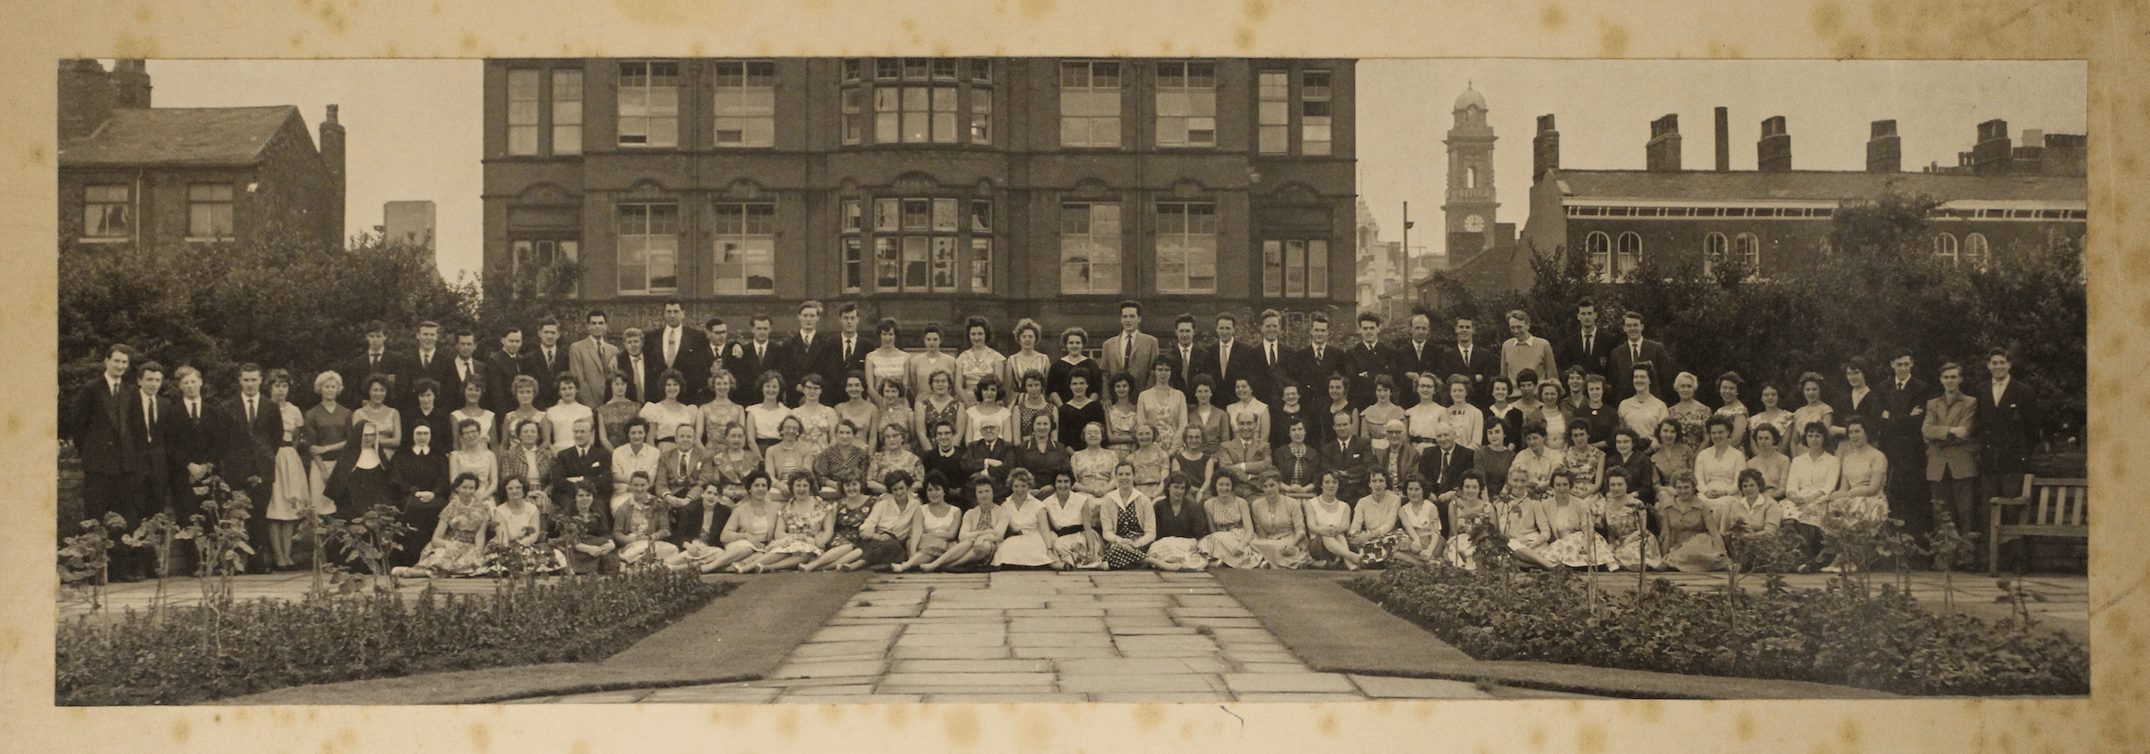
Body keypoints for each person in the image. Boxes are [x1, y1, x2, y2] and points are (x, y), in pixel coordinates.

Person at [1813, 416, 1890, 572]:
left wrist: (1850, 494)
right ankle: (1838, 555)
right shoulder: (1848, 459)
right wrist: (1831, 496)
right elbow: (1843, 488)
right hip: (1852, 497)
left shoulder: (1877, 456)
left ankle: (1847, 559)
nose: (1854, 436)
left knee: (1855, 508)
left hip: (1873, 499)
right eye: (1851, 432)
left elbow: (1874, 488)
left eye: (1858, 431)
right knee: (1825, 508)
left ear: (1867, 433)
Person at [1876, 349, 1935, 537]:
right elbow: (1879, 419)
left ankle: (1913, 542)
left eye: (1906, 364)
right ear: (1892, 365)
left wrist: (1891, 418)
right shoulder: (1883, 388)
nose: (1902, 368)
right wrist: (1906, 417)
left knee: (1912, 496)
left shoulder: (1922, 388)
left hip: (1912, 451)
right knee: (1890, 494)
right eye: (1899, 364)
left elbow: (1918, 422)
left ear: (1912, 365)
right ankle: (1890, 542)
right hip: (1889, 449)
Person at [1978, 348, 2036, 540]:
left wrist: (2022, 454)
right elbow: (1979, 424)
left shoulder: (2024, 391)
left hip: (2013, 460)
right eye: (1994, 363)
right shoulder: (1982, 390)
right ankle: (1991, 560)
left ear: (2009, 365)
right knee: (1989, 510)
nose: (1998, 366)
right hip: (1989, 460)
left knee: (2012, 509)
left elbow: (2032, 429)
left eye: (2002, 362)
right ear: (1988, 365)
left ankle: (2017, 561)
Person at [668, 473, 776, 573]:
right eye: (709, 493)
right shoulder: (690, 510)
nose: (711, 497)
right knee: (679, 559)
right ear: (702, 494)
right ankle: (666, 566)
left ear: (719, 498)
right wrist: (688, 545)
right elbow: (677, 535)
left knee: (720, 554)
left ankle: (680, 569)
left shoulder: (724, 511)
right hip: (694, 546)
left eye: (715, 494)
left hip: (713, 549)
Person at [393, 472, 493, 578]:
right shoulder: (450, 507)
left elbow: (480, 536)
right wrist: (447, 545)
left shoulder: (482, 508)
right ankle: (414, 571)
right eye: (464, 487)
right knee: (441, 559)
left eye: (471, 488)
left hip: (468, 546)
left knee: (472, 563)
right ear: (457, 488)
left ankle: (413, 573)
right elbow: (436, 538)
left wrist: (478, 553)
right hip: (449, 544)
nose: (468, 491)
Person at [261, 370, 312, 571]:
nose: (281, 390)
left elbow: (298, 435)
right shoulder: (265, 407)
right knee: (276, 506)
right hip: (272, 457)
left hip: (289, 458)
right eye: (277, 385)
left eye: (284, 386)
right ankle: (278, 555)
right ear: (270, 387)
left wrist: (291, 452)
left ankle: (288, 555)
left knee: (290, 506)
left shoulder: (294, 410)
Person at [1512, 471, 1615, 569]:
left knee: (1584, 544)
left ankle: (1572, 564)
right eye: (1558, 485)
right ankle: (1561, 565)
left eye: (1565, 484)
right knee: (1524, 558)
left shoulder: (1580, 504)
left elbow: (1587, 526)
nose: (1562, 488)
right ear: (1553, 486)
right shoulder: (1545, 504)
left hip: (1578, 540)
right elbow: (1541, 527)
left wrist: (1586, 543)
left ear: (1570, 486)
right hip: (1558, 543)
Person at [1923, 362, 1980, 541]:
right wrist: (1951, 431)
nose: (1950, 381)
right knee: (1940, 510)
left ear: (1960, 379)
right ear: (1941, 380)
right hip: (1937, 463)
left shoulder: (1970, 402)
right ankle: (1945, 556)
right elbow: (1926, 430)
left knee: (1965, 511)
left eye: (1953, 377)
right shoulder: (1932, 404)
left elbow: (1965, 431)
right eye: (1946, 377)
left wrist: (1939, 434)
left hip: (1961, 462)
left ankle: (1966, 556)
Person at [733, 474, 830, 573]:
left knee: (807, 552)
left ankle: (765, 567)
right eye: (798, 485)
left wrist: (821, 541)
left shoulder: (822, 506)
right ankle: (750, 567)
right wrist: (799, 537)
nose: (801, 489)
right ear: (792, 488)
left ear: (810, 488)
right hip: (791, 541)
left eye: (805, 485)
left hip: (813, 544)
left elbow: (828, 529)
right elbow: (778, 533)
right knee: (792, 547)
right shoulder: (786, 508)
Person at [921, 476, 1008, 572]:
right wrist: (979, 535)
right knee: (968, 542)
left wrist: (982, 538)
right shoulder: (970, 513)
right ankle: (937, 564)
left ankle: (949, 565)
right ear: (975, 494)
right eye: (980, 492)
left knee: (985, 545)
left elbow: (999, 535)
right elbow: (962, 536)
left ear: (993, 493)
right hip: (971, 545)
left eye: (987, 491)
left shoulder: (1002, 512)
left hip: (991, 548)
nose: (984, 495)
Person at [894, 475, 966, 573]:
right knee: (930, 545)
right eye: (930, 490)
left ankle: (907, 565)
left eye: (937, 489)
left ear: (944, 491)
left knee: (939, 544)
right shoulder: (921, 509)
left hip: (945, 545)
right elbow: (916, 533)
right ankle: (915, 562)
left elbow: (951, 534)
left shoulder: (955, 511)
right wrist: (913, 552)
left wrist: (933, 535)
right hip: (923, 544)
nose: (933, 493)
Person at [1658, 473, 1729, 572]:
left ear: (1693, 488)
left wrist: (1724, 552)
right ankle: (1675, 561)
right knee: (1682, 554)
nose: (1683, 491)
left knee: (1705, 555)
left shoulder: (1702, 506)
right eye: (1679, 488)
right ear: (1675, 488)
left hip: (1699, 543)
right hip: (1678, 544)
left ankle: (1675, 562)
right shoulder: (1667, 507)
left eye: (1686, 487)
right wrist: (1663, 555)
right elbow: (1666, 534)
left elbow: (1714, 532)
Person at [486, 478, 559, 574]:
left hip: (527, 545)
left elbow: (533, 536)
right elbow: (502, 539)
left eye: (518, 487)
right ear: (505, 491)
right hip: (507, 547)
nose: (514, 491)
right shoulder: (500, 511)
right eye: (510, 488)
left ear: (523, 489)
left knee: (554, 556)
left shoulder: (532, 509)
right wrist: (512, 551)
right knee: (500, 562)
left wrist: (520, 547)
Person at [1719, 469, 1787, 570]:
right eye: (1744, 486)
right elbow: (1731, 530)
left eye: (1752, 485)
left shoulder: (1771, 504)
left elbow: (1770, 532)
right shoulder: (1736, 505)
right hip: (1741, 546)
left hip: (1764, 545)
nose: (1748, 489)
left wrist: (1749, 536)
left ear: (1759, 486)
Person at [857, 470, 925, 570]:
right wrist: (877, 536)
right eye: (895, 490)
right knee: (892, 546)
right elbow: (866, 527)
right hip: (877, 540)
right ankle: (862, 563)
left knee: (897, 547)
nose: (899, 492)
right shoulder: (882, 504)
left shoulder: (915, 505)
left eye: (902, 488)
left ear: (907, 487)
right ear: (891, 491)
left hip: (897, 543)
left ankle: (867, 562)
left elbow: (916, 529)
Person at [1095, 462, 1157, 569]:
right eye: (1121, 474)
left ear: (1134, 476)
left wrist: (1138, 543)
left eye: (1128, 474)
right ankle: (1151, 561)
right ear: (1115, 477)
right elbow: (1107, 532)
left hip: (1139, 543)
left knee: (1109, 558)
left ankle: (1122, 563)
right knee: (1115, 549)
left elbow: (1151, 532)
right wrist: (1120, 540)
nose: (1124, 478)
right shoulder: (1108, 500)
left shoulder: (1144, 500)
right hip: (1118, 542)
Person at [1142, 473, 1210, 571]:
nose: (1179, 491)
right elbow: (1154, 530)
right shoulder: (1159, 506)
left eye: (1182, 488)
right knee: (1159, 549)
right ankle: (1177, 564)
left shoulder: (1193, 507)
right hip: (1164, 543)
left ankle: (1174, 563)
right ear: (1168, 488)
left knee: (1188, 554)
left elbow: (1200, 532)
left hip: (1186, 543)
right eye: (1176, 487)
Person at [1599, 469, 1663, 571]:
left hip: (1637, 539)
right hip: (1618, 543)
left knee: (1631, 552)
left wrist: (1623, 543)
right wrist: (1612, 544)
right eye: (1613, 485)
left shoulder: (1637, 504)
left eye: (1620, 484)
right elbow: (1610, 533)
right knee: (1605, 550)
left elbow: (1641, 530)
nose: (1616, 488)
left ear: (1626, 485)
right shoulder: (1607, 506)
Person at [652, 299, 713, 405]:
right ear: (664, 314)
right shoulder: (652, 337)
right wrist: (615, 358)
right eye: (669, 312)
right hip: (658, 398)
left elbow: (713, 351)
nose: (672, 315)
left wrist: (735, 345)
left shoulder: (697, 337)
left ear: (683, 314)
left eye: (676, 311)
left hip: (688, 398)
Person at [990, 469, 1055, 568]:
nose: (1019, 490)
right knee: (1006, 549)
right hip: (1016, 538)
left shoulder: (1038, 505)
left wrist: (1049, 550)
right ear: (1011, 487)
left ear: (1029, 487)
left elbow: (1045, 530)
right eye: (1016, 486)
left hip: (1035, 538)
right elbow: (1001, 529)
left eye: (1023, 486)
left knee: (1029, 550)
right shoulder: (1006, 505)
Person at [802, 478, 870, 572]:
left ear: (861, 485)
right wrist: (822, 540)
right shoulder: (838, 504)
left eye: (854, 484)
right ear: (843, 487)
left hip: (860, 539)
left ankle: (818, 567)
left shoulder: (872, 501)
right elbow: (830, 526)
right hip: (840, 538)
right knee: (848, 547)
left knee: (858, 552)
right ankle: (815, 565)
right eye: (847, 485)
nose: (851, 488)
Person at [1196, 475, 1264, 569]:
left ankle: (1228, 560)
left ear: (1232, 486)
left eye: (1227, 485)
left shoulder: (1241, 502)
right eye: (1221, 485)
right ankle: (1228, 560)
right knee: (1207, 541)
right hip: (1220, 537)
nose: (1224, 488)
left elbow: (1249, 529)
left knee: (1239, 548)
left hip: (1240, 536)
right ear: (1215, 486)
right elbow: (1213, 530)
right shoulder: (1209, 504)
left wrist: (1242, 544)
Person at [1041, 469, 1103, 570]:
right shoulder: (1047, 503)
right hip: (1062, 539)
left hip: (1082, 535)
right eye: (1059, 481)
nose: (1063, 485)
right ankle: (1067, 564)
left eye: (1066, 481)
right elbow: (1048, 529)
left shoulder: (1081, 500)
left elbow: (1088, 528)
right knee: (1056, 545)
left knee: (1073, 546)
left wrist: (1091, 548)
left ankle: (1082, 562)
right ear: (1054, 484)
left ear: (1071, 483)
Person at [1608, 311, 1675, 404]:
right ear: (1624, 328)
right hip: (1626, 404)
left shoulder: (1657, 349)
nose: (1632, 328)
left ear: (1642, 327)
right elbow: (1615, 384)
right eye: (1629, 325)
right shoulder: (1616, 353)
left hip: (1652, 404)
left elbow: (1666, 379)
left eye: (1635, 325)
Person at [1346, 470, 1408, 568]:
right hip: (1370, 540)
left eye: (1381, 481)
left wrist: (1370, 535)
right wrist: (1356, 535)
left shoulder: (1395, 499)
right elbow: (1356, 524)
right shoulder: (1362, 502)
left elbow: (1389, 524)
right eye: (1374, 481)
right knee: (1353, 542)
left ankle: (1373, 560)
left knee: (1401, 538)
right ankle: (1384, 560)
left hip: (1389, 537)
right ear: (1369, 484)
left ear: (1386, 484)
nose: (1377, 485)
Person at [1301, 472, 1361, 570]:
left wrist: (1336, 529)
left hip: (1339, 542)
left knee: (1338, 533)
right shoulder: (1311, 503)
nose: (1331, 485)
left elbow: (1346, 526)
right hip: (1318, 545)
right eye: (1327, 482)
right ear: (1321, 485)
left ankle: (1348, 561)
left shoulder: (1345, 506)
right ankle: (1350, 557)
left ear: (1338, 485)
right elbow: (1311, 526)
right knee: (1327, 533)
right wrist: (1325, 530)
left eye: (1334, 482)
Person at [556, 482, 619, 575]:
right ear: (575, 498)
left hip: (597, 548)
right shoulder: (567, 515)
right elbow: (569, 540)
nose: (584, 498)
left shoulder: (598, 513)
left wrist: (611, 544)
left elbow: (606, 533)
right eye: (581, 495)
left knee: (609, 556)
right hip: (578, 549)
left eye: (588, 495)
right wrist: (588, 549)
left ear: (593, 497)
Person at [1100, 300, 1160, 392]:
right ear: (1121, 319)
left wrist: (1145, 396)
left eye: (1132, 316)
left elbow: (1153, 373)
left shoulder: (1151, 342)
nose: (1128, 320)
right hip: (1116, 399)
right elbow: (1104, 374)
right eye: (1125, 316)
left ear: (1139, 318)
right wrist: (1106, 396)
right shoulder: (1108, 344)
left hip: (1141, 396)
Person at [550, 417, 611, 506]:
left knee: (599, 507)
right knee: (570, 506)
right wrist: (582, 486)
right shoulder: (563, 455)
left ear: (592, 433)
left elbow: (606, 480)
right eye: (576, 432)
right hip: (569, 494)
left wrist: (579, 481)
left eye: (582, 432)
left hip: (594, 494)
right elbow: (558, 480)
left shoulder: (602, 454)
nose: (578, 435)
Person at [1294, 313, 1349, 410]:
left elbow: (1343, 380)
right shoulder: (1300, 355)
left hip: (1330, 405)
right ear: (1311, 331)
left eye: (1323, 331)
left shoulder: (1338, 355)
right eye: (1316, 330)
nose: (1319, 334)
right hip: (1307, 405)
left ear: (1328, 332)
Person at [639, 370, 702, 450]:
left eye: (675, 385)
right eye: (668, 385)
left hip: (684, 450)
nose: (672, 388)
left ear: (680, 387)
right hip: (665, 450)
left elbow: (693, 438)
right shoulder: (655, 409)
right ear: (663, 387)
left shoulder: (688, 410)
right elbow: (650, 439)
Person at [1441, 471, 1492, 569]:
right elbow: (1453, 532)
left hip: (1479, 541)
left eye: (1474, 487)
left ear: (1479, 489)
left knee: (1476, 553)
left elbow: (1493, 532)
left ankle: (1469, 568)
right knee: (1453, 551)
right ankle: (1461, 568)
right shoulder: (1454, 506)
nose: (1470, 490)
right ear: (1462, 488)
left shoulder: (1487, 507)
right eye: (1467, 487)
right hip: (1459, 540)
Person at [498, 420, 555, 507]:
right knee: (529, 505)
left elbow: (554, 479)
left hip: (542, 492)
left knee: (544, 504)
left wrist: (545, 493)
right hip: (519, 492)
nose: (529, 434)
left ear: (538, 435)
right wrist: (525, 492)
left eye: (533, 431)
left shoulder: (547, 455)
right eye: (526, 431)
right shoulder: (510, 454)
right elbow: (506, 478)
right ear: (519, 435)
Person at [446, 417, 499, 508]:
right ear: (461, 437)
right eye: (466, 433)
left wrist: (482, 497)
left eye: (473, 431)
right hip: (461, 497)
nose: (470, 435)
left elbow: (494, 483)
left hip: (484, 497)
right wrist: (464, 499)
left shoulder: (489, 455)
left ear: (479, 433)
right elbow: (454, 482)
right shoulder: (455, 456)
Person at [1498, 309, 1559, 387]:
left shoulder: (1543, 344)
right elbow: (1503, 378)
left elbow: (1552, 377)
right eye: (1512, 328)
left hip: (1537, 395)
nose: (1516, 331)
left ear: (1528, 325)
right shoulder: (1506, 346)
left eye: (1519, 327)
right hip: (1513, 396)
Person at [1504, 423, 1562, 503]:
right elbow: (1516, 475)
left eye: (1535, 438)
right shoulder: (1521, 456)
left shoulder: (1555, 455)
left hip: (1551, 496)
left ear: (1543, 438)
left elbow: (1556, 475)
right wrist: (1533, 484)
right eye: (1528, 439)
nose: (1532, 442)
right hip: (1527, 496)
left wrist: (1547, 484)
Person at [1014, 413, 1071, 493]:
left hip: (1055, 491)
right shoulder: (1022, 447)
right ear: (1033, 426)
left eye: (1045, 424)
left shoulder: (1060, 447)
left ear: (1051, 426)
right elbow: (1018, 473)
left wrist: (1052, 486)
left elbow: (1066, 471)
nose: (1042, 427)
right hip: (1028, 492)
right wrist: (1028, 489)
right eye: (1038, 424)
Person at [521, 319, 571, 409]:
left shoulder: (565, 357)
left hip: (561, 407)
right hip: (537, 407)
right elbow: (528, 386)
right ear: (539, 333)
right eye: (546, 332)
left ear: (558, 334)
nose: (549, 336)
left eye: (553, 333)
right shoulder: (528, 358)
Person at [812, 421, 872, 496]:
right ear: (836, 435)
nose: (845, 436)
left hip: (855, 491)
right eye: (841, 432)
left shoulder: (862, 454)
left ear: (854, 435)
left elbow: (864, 478)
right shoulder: (826, 454)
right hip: (832, 492)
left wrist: (850, 486)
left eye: (848, 433)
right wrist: (839, 486)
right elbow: (821, 477)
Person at [1137, 361, 1188, 446]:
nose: (1163, 373)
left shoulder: (1179, 395)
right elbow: (1141, 423)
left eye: (1167, 370)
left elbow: (1183, 424)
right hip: (1151, 445)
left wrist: (1174, 447)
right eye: (1160, 370)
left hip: (1176, 445)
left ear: (1171, 372)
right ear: (1154, 371)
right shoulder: (1143, 396)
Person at [1218, 413, 1274, 490]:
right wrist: (1248, 477)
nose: (1245, 427)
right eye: (1242, 423)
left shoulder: (1264, 446)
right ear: (1237, 425)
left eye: (1249, 423)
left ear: (1256, 425)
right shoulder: (1226, 446)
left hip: (1257, 491)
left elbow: (1267, 465)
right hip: (1234, 491)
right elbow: (1225, 469)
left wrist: (1242, 466)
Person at [914, 370, 965, 452]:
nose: (940, 384)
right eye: (936, 381)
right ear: (931, 385)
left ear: (949, 384)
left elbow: (959, 433)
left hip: (952, 452)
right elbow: (921, 432)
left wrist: (950, 453)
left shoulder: (959, 406)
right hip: (929, 451)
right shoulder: (921, 405)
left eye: (943, 381)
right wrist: (931, 454)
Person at [905, 324, 958, 401]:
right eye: (928, 339)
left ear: (940, 340)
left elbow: (953, 386)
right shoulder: (915, 361)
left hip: (944, 401)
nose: (931, 342)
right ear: (924, 340)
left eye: (935, 339)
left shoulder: (950, 361)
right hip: (922, 401)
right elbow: (913, 386)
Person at [1273, 419, 1324, 500]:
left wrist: (1304, 489)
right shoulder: (1280, 452)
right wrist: (1288, 488)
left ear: (1305, 432)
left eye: (1300, 429)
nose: (1297, 433)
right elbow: (1274, 475)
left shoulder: (1313, 453)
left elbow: (1317, 478)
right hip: (1284, 495)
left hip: (1308, 495)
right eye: (1293, 430)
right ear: (1289, 433)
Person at [1007, 320, 1054, 405]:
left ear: (1035, 338)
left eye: (1030, 336)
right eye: (1024, 337)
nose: (1027, 339)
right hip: (1019, 401)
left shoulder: (1044, 359)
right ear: (1019, 338)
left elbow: (1048, 386)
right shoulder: (1012, 360)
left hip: (1040, 400)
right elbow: (1008, 388)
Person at [761, 416, 816, 489]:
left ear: (798, 432)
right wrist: (779, 485)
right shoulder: (771, 450)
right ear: (781, 430)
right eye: (787, 427)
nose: (791, 431)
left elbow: (806, 474)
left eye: (795, 428)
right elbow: (769, 476)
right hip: (778, 487)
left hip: (800, 487)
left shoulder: (806, 449)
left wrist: (793, 485)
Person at [869, 424, 926, 495]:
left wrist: (903, 492)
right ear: (884, 440)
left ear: (903, 437)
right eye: (887, 437)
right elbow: (870, 482)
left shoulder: (914, 459)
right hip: (884, 497)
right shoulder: (877, 458)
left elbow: (920, 482)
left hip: (908, 497)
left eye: (895, 436)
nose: (891, 439)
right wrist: (891, 490)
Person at [1789, 372, 1837, 456]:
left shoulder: (1826, 410)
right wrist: (1795, 459)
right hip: (1801, 453)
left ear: (1820, 390)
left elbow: (1825, 435)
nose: (1811, 393)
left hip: (1820, 452)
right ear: (1803, 391)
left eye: (1814, 389)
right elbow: (1794, 440)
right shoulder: (1799, 412)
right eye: (1807, 389)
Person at [543, 375, 595, 452]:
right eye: (563, 389)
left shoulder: (586, 410)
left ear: (576, 389)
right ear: (559, 392)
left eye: (570, 388)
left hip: (580, 451)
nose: (567, 391)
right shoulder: (551, 411)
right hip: (558, 451)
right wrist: (555, 452)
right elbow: (546, 441)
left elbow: (590, 438)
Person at [1054, 372, 1105, 450]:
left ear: (1087, 385)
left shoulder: (1096, 407)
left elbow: (1102, 434)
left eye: (1081, 383)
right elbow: (1063, 439)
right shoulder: (1064, 410)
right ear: (1070, 386)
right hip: (1072, 454)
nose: (1078, 387)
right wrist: (1075, 456)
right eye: (1075, 384)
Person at [865, 318, 911, 402]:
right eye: (884, 334)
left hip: (899, 403)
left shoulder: (905, 357)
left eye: (890, 334)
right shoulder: (870, 357)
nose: (887, 338)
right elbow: (870, 387)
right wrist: (882, 404)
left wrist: (895, 404)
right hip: (877, 402)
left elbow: (905, 385)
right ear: (880, 335)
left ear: (895, 335)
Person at [743, 372, 791, 453]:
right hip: (759, 451)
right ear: (762, 388)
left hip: (780, 452)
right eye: (767, 386)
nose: (771, 390)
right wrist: (760, 459)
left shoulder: (787, 412)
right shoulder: (753, 410)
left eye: (775, 387)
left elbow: (788, 438)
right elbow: (750, 440)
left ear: (779, 389)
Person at [700, 370, 747, 452]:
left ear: (730, 385)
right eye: (718, 384)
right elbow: (697, 438)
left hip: (732, 455)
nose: (722, 387)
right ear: (713, 386)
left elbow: (742, 438)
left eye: (725, 383)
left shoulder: (739, 409)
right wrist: (706, 455)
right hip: (710, 454)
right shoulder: (704, 408)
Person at [789, 375, 840, 450]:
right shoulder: (794, 413)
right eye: (809, 388)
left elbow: (835, 438)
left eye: (816, 388)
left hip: (824, 457)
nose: (812, 391)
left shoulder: (829, 412)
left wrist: (826, 456)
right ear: (803, 389)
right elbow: (789, 439)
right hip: (801, 457)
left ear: (821, 390)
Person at [1648, 419, 1694, 502]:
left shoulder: (1686, 450)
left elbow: (1694, 474)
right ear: (1659, 433)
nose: (1668, 435)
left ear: (1677, 434)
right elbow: (1656, 484)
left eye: (1672, 432)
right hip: (1666, 492)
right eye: (1665, 431)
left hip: (1686, 489)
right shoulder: (1654, 457)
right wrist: (1667, 489)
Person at [1168, 424, 1218, 500]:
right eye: (1190, 437)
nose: (1194, 440)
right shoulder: (1177, 460)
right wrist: (1194, 491)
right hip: (1184, 491)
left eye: (1197, 437)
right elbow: (1178, 480)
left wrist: (1200, 492)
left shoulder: (1208, 459)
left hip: (1204, 492)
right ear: (1185, 439)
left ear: (1202, 439)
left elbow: (1208, 480)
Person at [1068, 422, 1119, 496]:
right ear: (1084, 436)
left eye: (1096, 433)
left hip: (1108, 494)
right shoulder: (1076, 456)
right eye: (1089, 433)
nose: (1092, 435)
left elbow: (1116, 479)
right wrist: (1089, 491)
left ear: (1102, 436)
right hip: (1083, 495)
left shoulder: (1111, 454)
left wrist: (1103, 491)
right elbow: (1073, 481)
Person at [1473, 421, 1516, 507]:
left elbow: (1509, 481)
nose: (1493, 436)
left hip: (1503, 497)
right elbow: (1481, 480)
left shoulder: (1511, 455)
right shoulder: (1480, 453)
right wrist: (1487, 503)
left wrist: (1500, 500)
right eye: (1490, 432)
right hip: (1482, 496)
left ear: (1504, 433)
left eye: (1497, 432)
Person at [593, 372, 641, 449]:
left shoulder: (636, 407)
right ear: (611, 386)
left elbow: (639, 432)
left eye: (623, 384)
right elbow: (603, 438)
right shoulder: (602, 409)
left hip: (633, 450)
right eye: (616, 384)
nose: (620, 387)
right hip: (611, 452)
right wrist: (615, 454)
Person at [448, 377, 497, 452]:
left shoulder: (489, 416)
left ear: (481, 393)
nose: (473, 393)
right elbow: (456, 445)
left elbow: (494, 445)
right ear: (464, 391)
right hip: (464, 459)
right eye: (470, 389)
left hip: (485, 459)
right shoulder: (456, 416)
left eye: (477, 390)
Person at [963, 375, 1014, 445]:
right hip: (976, 452)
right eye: (985, 389)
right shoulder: (971, 412)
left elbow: (1007, 439)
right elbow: (968, 439)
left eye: (993, 389)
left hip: (1000, 453)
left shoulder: (1005, 413)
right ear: (980, 391)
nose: (989, 393)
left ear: (998, 392)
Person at [833, 372, 879, 449]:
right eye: (850, 385)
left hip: (864, 452)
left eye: (857, 385)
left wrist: (869, 458)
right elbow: (836, 436)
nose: (853, 389)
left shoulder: (872, 409)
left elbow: (873, 438)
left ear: (862, 388)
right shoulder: (839, 408)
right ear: (846, 388)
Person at [502, 375, 548, 450]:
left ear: (534, 394)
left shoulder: (542, 416)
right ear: (516, 394)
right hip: (513, 458)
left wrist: (533, 454)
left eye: (528, 392)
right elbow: (504, 444)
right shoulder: (509, 417)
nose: (525, 395)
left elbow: (546, 442)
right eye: (521, 392)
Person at [1402, 374, 1446, 451]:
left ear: (1434, 390)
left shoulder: (1442, 411)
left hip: (1434, 451)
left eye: (1429, 386)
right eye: (1422, 386)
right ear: (1417, 389)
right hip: (1413, 451)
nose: (1425, 389)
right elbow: (1405, 438)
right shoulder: (1409, 412)